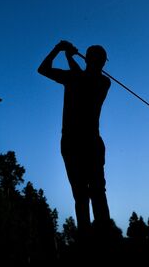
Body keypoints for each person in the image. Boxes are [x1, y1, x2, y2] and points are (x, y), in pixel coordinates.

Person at [38, 40, 111, 236]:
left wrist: (63, 52)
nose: (102, 65)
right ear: (101, 62)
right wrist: (63, 53)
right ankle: (92, 239)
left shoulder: (102, 82)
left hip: (78, 143)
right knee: (86, 194)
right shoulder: (86, 79)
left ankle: (99, 238)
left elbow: (79, 78)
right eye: (102, 61)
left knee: (91, 193)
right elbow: (42, 69)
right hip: (82, 143)